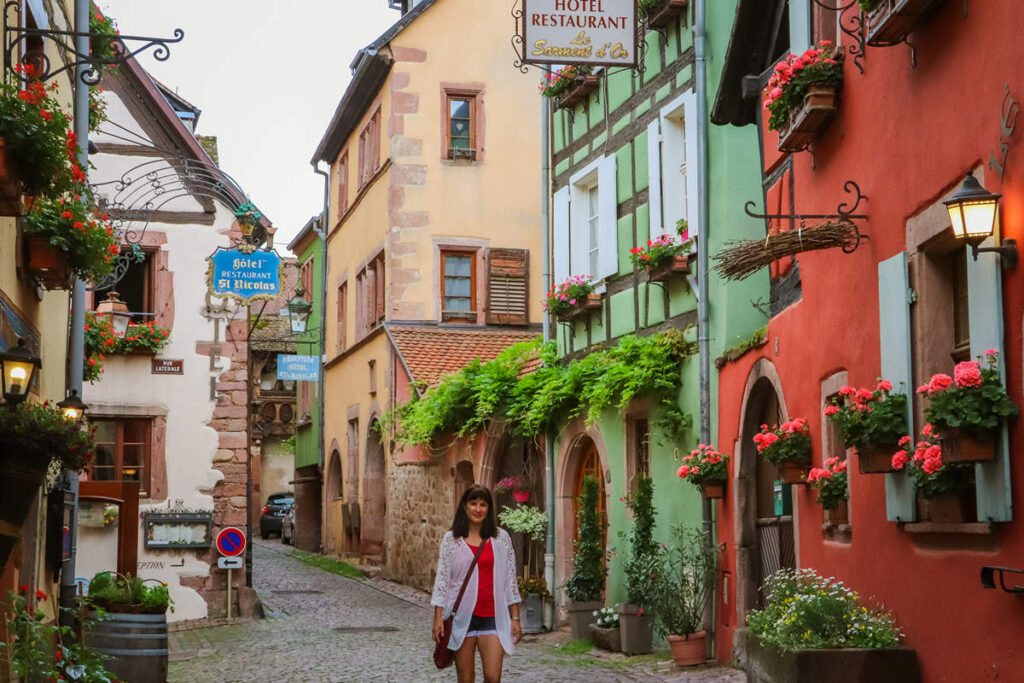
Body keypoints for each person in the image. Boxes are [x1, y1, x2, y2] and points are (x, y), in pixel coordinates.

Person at [432, 485, 522, 683]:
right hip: (461, 618)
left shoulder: (501, 539)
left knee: (492, 677)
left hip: (493, 618)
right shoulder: (452, 540)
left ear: (489, 508)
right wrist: (438, 617)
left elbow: (510, 581)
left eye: (483, 504)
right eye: (473, 503)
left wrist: (515, 617)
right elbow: (443, 581)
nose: (478, 509)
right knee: (466, 678)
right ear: (465, 506)